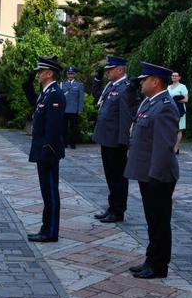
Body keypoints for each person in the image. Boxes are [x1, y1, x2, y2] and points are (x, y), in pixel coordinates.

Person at [124, 62, 179, 279]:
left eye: (144, 80)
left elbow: (164, 146)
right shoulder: (149, 103)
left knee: (159, 221)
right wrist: (130, 88)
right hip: (149, 173)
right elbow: (129, 108)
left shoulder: (165, 105)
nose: (141, 83)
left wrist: (155, 175)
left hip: (159, 175)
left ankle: (159, 266)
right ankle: (151, 259)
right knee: (152, 220)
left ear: (155, 82)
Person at [91, 55, 140, 223]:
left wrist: (123, 141)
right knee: (110, 176)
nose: (107, 73)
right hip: (107, 138)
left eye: (110, 70)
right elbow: (97, 97)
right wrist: (97, 79)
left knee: (118, 177)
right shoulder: (112, 86)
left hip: (116, 141)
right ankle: (112, 207)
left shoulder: (125, 88)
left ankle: (118, 210)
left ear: (120, 70)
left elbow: (126, 117)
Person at [23, 56, 66, 243]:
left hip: (48, 150)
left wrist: (48, 149)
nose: (38, 74)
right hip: (42, 149)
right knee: (46, 192)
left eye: (41, 71)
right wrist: (28, 79)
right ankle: (46, 228)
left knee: (50, 192)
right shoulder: (46, 93)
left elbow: (54, 127)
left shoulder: (55, 94)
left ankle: (50, 231)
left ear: (49, 73)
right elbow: (31, 98)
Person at [61, 66, 84, 149]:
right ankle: (64, 143)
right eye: (69, 73)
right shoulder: (62, 84)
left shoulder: (79, 84)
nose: (70, 75)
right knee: (64, 127)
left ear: (74, 74)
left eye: (72, 73)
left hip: (74, 109)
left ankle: (72, 143)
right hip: (64, 109)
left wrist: (80, 109)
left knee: (73, 128)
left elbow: (81, 98)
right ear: (66, 74)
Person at [167, 71, 188, 154]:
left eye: (176, 76)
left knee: (179, 129)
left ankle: (176, 148)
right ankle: (170, 146)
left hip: (179, 110)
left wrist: (176, 100)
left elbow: (186, 99)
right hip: (169, 109)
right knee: (170, 128)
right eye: (172, 76)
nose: (174, 77)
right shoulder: (168, 87)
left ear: (179, 77)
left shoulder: (182, 87)